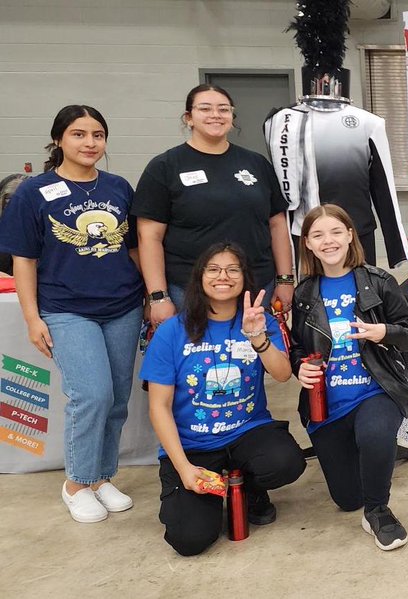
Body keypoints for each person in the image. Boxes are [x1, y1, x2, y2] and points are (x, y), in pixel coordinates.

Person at [0, 106, 143, 523]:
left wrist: (150, 296)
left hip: (122, 306)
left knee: (116, 399)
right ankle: (76, 483)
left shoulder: (118, 188)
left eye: (98, 135)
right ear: (59, 139)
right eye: (79, 134)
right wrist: (32, 317)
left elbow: (132, 247)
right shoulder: (34, 191)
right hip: (66, 309)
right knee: (91, 395)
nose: (89, 143)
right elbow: (23, 259)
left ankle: (101, 477)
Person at [141, 243, 305, 556]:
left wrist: (258, 338)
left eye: (233, 269)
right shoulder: (172, 332)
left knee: (285, 463)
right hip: (194, 446)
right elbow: (158, 408)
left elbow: (283, 374)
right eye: (213, 269)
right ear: (199, 277)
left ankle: (251, 489)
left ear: (245, 278)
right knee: (189, 540)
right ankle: (212, 498)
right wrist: (185, 469)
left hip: (247, 432)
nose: (223, 276)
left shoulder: (259, 320)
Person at [290, 205, 408, 551]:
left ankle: (379, 512)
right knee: (347, 498)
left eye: (336, 231)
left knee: (374, 433)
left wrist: (383, 331)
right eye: (318, 234)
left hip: (376, 388)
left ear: (351, 235)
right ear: (307, 243)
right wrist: (298, 366)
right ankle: (380, 452)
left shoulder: (379, 282)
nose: (328, 241)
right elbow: (297, 349)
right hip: (326, 404)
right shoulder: (304, 293)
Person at [133, 84, 295, 327]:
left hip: (255, 287)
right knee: (196, 363)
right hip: (189, 290)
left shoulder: (256, 163)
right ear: (189, 118)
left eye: (224, 109)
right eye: (205, 108)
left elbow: (277, 224)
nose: (215, 115)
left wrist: (285, 279)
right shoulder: (165, 166)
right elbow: (149, 237)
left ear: (232, 116)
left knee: (255, 357)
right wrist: (158, 297)